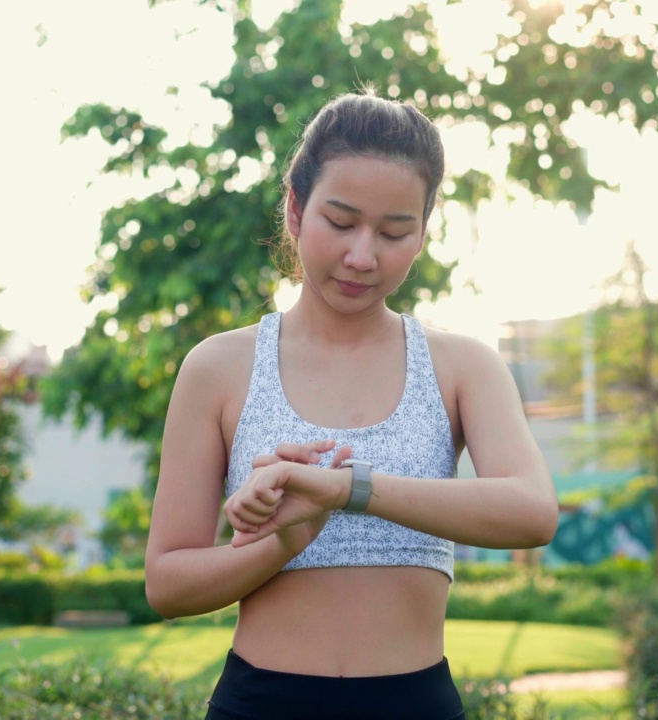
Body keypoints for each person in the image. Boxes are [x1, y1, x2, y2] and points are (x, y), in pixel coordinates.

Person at [144, 89, 559, 720]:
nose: (362, 256)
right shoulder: (218, 368)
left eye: (394, 232)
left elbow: (532, 511)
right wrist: (285, 539)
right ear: (295, 209)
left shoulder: (462, 365)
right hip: (260, 704)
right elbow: (167, 583)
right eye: (340, 223)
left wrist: (346, 489)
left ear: (422, 233)